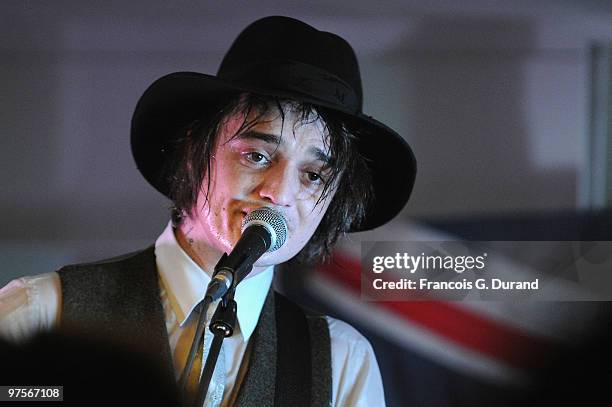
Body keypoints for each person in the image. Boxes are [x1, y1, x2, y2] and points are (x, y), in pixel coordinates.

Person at [0, 16, 416, 406]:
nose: (278, 193)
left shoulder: (342, 359)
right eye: (256, 155)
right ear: (191, 152)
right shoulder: (40, 311)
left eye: (313, 176)